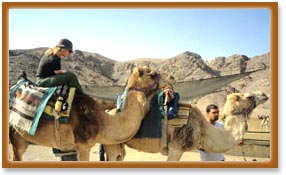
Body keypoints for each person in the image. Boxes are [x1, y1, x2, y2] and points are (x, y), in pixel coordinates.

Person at [35, 38, 82, 161]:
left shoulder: (53, 55)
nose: (69, 54)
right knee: (70, 76)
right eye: (69, 52)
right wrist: (66, 72)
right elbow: (57, 72)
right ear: (63, 49)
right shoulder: (55, 57)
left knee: (68, 78)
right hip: (42, 82)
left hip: (46, 79)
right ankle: (82, 96)